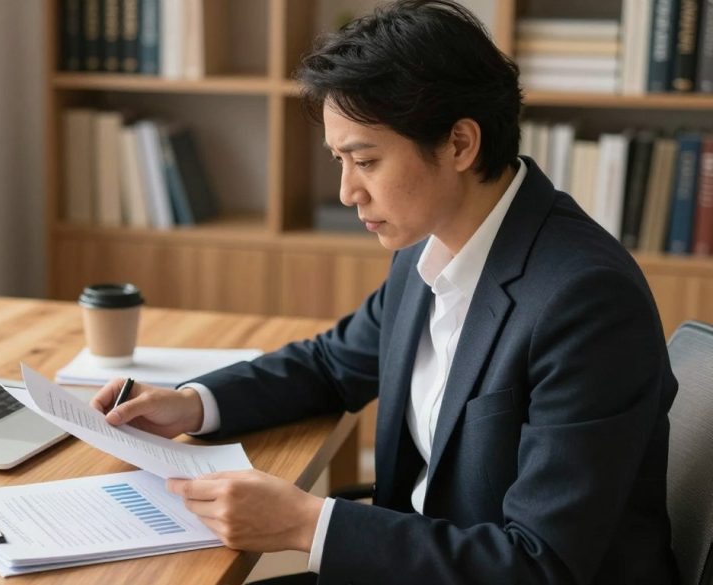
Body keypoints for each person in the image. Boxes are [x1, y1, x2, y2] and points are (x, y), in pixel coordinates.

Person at [89, 1, 680, 583]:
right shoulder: (427, 247)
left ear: (459, 145)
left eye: (365, 161)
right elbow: (331, 364)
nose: (348, 192)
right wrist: (193, 403)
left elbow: (540, 564)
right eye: (339, 161)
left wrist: (309, 525)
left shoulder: (586, 301)